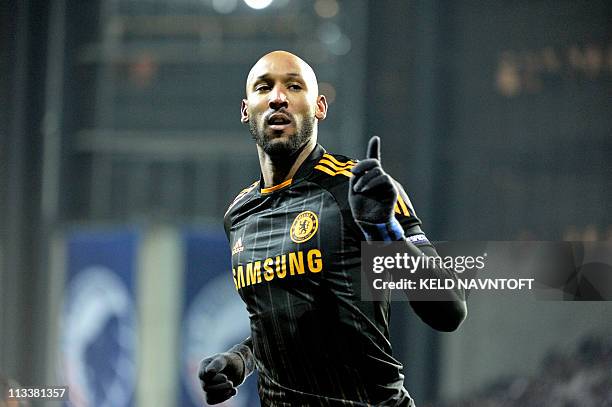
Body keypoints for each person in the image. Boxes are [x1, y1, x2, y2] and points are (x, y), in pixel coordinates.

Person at [198, 50, 467, 406]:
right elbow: (279, 320)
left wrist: (386, 235)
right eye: (265, 87)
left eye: (294, 86)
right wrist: (241, 359)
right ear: (246, 109)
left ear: (319, 106)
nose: (278, 97)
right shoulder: (239, 214)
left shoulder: (361, 191)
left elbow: (449, 311)